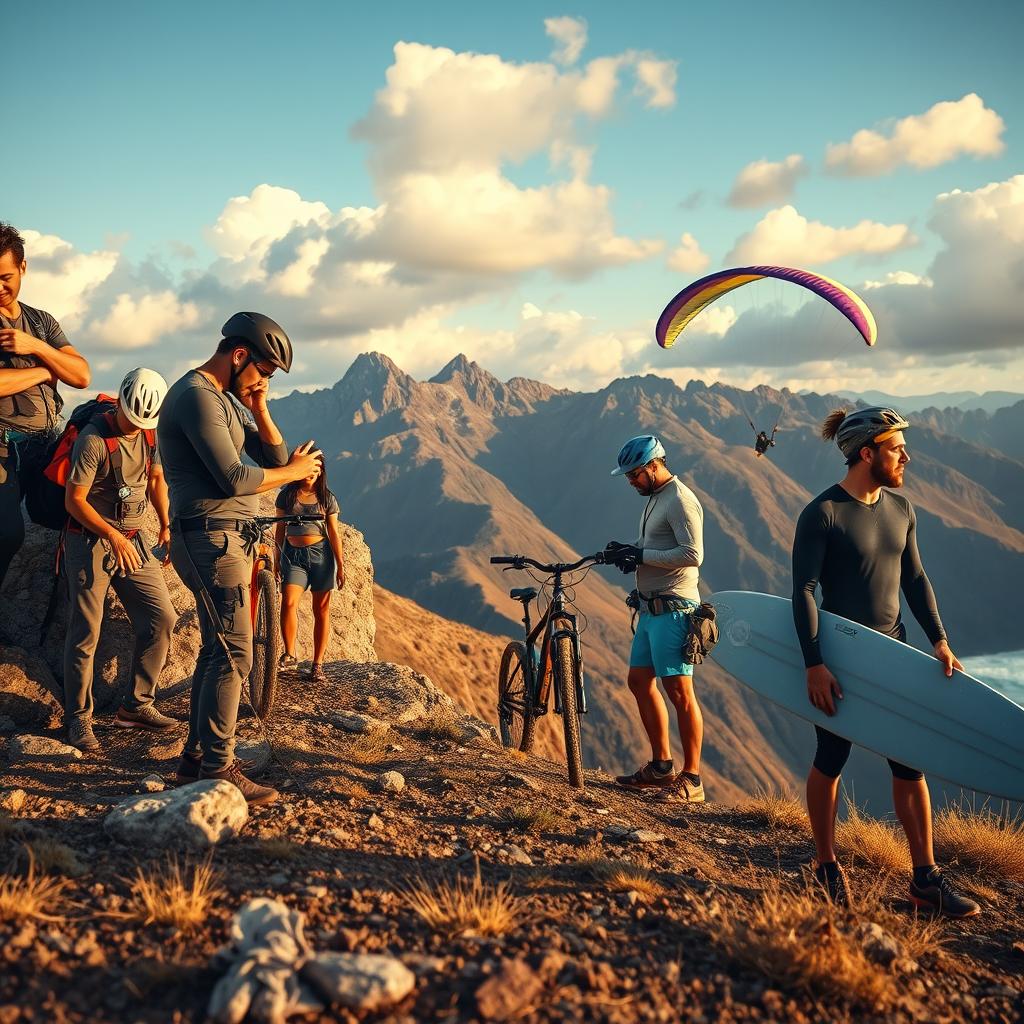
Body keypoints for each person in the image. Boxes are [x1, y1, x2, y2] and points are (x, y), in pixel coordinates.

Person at [792, 406, 980, 917]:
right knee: (831, 755)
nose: (906, 457)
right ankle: (826, 866)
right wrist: (814, 663)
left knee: (908, 759)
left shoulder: (902, 509)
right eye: (897, 449)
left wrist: (940, 641)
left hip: (894, 651)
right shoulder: (823, 513)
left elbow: (915, 580)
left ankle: (925, 880)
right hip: (841, 654)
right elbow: (804, 591)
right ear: (866, 453)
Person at [158, 313, 322, 805]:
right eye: (264, 371)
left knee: (217, 651)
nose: (264, 380)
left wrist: (259, 405)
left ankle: (194, 761)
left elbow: (272, 459)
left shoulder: (226, 399)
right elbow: (234, 478)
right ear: (239, 355)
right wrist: (296, 471)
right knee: (236, 652)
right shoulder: (196, 397)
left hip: (225, 538)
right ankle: (219, 767)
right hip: (210, 540)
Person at [63, 369, 177, 751]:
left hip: (132, 539)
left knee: (162, 618)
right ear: (121, 403)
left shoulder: (150, 434)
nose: (135, 425)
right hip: (90, 541)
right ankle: (78, 719)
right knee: (86, 632)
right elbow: (74, 501)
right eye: (130, 417)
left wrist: (165, 524)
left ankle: (136, 705)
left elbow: (156, 480)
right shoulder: (93, 440)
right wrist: (111, 536)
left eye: (143, 421)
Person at [604, 435, 707, 802]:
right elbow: (659, 546)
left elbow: (692, 554)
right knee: (639, 681)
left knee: (679, 691)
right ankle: (662, 768)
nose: (631, 482)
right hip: (651, 609)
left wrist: (641, 556)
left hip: (674, 610)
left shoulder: (680, 500)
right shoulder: (656, 497)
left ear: (653, 466)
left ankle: (692, 779)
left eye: (634, 474)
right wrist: (629, 551)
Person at [0, 222, 91, 588]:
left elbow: (81, 374)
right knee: (6, 533)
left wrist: (35, 346)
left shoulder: (40, 322)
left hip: (44, 446)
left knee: (79, 512)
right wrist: (45, 371)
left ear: (23, 267)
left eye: (5, 277)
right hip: (3, 447)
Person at [275, 464, 345, 683]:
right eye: (308, 469)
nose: (311, 474)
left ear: (321, 472)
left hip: (321, 557)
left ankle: (318, 665)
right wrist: (277, 559)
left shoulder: (327, 498)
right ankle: (290, 655)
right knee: (288, 602)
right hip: (292, 556)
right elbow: (280, 529)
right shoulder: (286, 495)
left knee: (321, 610)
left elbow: (334, 533)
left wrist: (341, 565)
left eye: (316, 470)